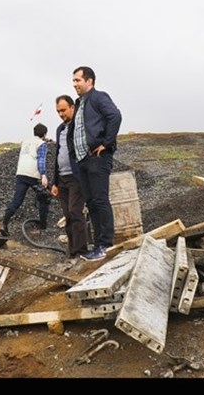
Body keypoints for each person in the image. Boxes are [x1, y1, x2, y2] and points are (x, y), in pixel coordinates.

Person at [68, 66, 122, 262]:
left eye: (78, 80)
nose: (74, 84)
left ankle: (105, 245)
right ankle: (98, 245)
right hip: (83, 159)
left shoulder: (98, 97)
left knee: (100, 200)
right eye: (73, 81)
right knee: (90, 202)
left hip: (97, 158)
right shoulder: (80, 103)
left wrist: (106, 143)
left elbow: (115, 116)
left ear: (89, 81)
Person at [51, 94, 89, 260]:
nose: (61, 114)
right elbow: (58, 154)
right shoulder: (60, 129)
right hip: (62, 178)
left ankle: (81, 250)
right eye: (58, 111)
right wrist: (54, 182)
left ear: (72, 107)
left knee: (75, 212)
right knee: (67, 215)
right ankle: (72, 251)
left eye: (63, 110)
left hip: (76, 177)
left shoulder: (79, 126)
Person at [1, 123, 51, 235]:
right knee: (44, 197)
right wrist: (43, 175)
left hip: (21, 173)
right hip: (33, 175)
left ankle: (4, 223)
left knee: (17, 201)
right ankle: (43, 226)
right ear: (44, 134)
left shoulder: (25, 142)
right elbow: (41, 160)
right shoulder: (42, 144)